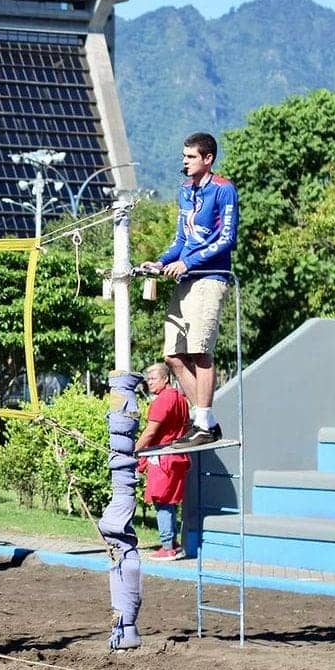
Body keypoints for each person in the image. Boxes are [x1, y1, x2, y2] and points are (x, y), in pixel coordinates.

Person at [139, 131, 239, 449]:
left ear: (207, 158)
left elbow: (227, 238)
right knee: (173, 356)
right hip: (186, 279)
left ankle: (203, 421)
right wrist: (162, 261)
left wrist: (189, 262)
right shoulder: (185, 191)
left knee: (199, 351)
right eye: (183, 156)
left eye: (191, 156)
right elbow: (181, 239)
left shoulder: (224, 190)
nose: (185, 162)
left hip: (210, 277)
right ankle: (204, 421)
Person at [135, 363, 191, 560]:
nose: (149, 382)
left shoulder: (163, 400)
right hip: (177, 457)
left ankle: (167, 547)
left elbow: (151, 431)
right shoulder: (181, 399)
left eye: (153, 378)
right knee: (171, 502)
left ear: (165, 378)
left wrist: (134, 450)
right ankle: (174, 545)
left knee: (162, 501)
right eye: (148, 379)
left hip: (163, 458)